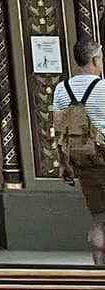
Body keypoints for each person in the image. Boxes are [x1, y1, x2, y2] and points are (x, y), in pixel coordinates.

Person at [51, 37, 105, 267]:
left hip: (82, 160)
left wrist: (64, 164)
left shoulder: (61, 89)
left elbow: (57, 130)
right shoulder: (103, 88)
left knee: (98, 218)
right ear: (94, 60)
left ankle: (98, 274)